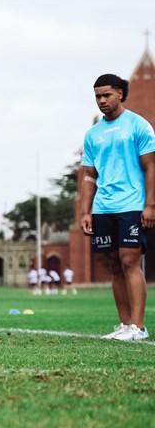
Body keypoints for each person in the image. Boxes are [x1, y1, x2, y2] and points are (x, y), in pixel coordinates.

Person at [80, 73, 155, 342]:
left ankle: (138, 327)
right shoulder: (93, 134)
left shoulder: (138, 126)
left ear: (120, 94)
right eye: (97, 96)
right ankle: (125, 325)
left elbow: (150, 167)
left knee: (129, 261)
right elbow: (89, 175)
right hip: (103, 207)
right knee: (113, 264)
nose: (101, 101)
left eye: (106, 95)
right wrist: (86, 211)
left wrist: (150, 204)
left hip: (132, 203)